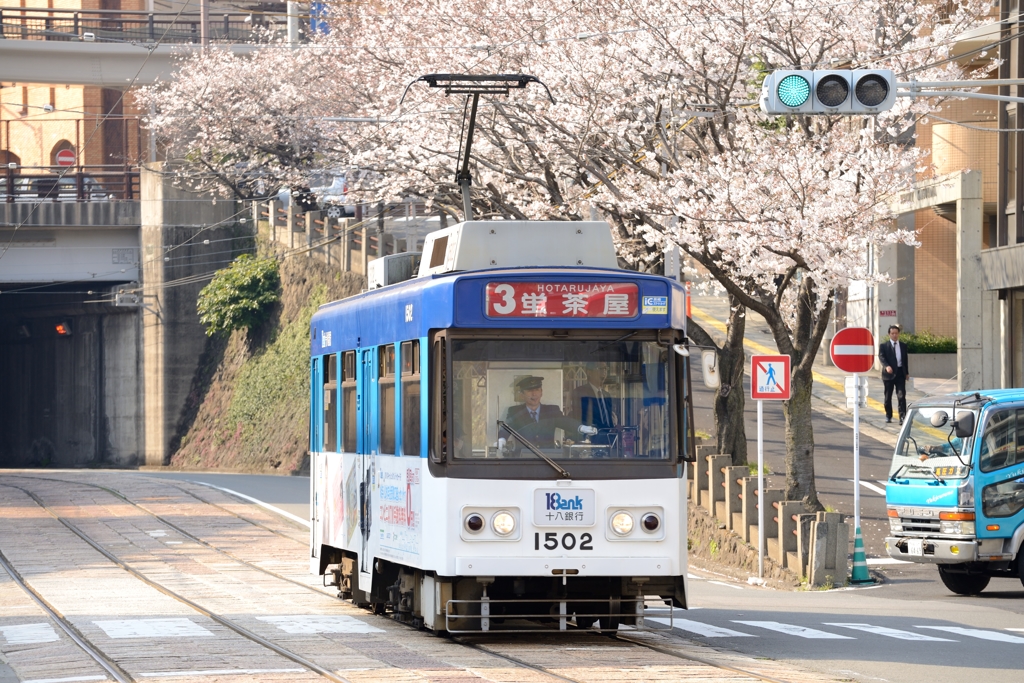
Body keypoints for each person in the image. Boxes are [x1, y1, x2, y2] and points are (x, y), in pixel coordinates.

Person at [498, 375, 595, 451]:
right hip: (523, 461)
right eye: (530, 390)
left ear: (541, 392)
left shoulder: (551, 410)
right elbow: (507, 427)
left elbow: (565, 422)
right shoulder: (515, 411)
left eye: (537, 390)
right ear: (522, 395)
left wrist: (581, 427)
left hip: (549, 461)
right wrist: (502, 439)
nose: (534, 394)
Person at [571, 362, 617, 443]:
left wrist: (614, 429)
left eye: (606, 368)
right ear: (589, 372)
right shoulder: (580, 392)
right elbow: (578, 417)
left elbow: (608, 418)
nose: (604, 371)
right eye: (600, 368)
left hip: (609, 440)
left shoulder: (607, 395)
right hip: (590, 439)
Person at [879, 324, 910, 425]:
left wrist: (907, 373)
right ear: (889, 334)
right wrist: (886, 366)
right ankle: (888, 415)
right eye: (892, 333)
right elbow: (882, 358)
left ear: (899, 334)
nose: (894, 335)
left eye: (896, 333)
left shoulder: (903, 346)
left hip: (900, 373)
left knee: (901, 396)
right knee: (888, 397)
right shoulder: (884, 346)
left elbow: (905, 360)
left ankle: (902, 417)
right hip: (888, 375)